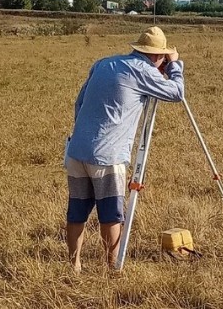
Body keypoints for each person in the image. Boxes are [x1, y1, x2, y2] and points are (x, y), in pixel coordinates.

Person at [64, 26, 185, 273]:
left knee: (77, 211)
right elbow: (177, 93)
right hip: (108, 156)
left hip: (77, 150)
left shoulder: (103, 63)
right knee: (110, 213)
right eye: (163, 57)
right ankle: (113, 266)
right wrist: (175, 67)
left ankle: (73, 264)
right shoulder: (144, 71)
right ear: (157, 56)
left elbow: (79, 102)